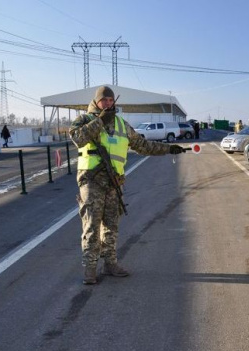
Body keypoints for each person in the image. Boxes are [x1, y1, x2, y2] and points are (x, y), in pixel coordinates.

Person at [69, 86, 185, 285]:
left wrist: (168, 149)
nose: (107, 103)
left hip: (114, 182)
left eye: (110, 100)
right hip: (91, 181)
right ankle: (90, 269)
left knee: (111, 227)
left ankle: (110, 264)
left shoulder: (122, 125)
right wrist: (99, 122)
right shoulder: (85, 120)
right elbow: (77, 139)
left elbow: (143, 145)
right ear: (96, 101)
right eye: (103, 100)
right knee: (91, 226)